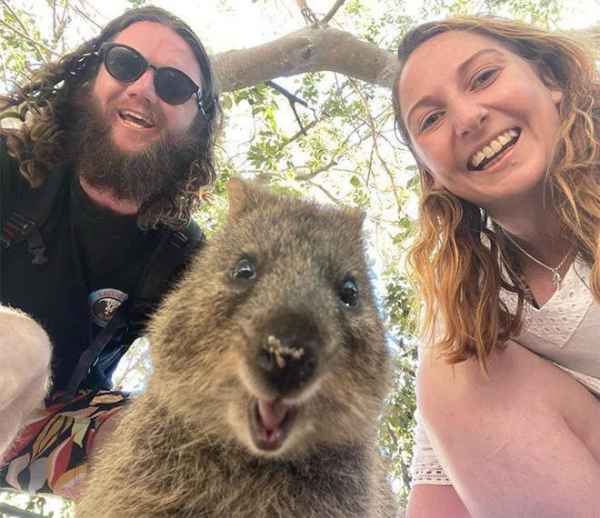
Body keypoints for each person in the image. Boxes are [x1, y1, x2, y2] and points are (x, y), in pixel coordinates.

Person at [0, 5, 221, 499]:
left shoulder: (184, 255)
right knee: (21, 345)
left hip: (50, 427)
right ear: (88, 79)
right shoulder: (7, 164)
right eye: (124, 64)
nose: (143, 87)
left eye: (174, 86)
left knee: (181, 453)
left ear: (198, 125)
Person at [392, 16, 600, 518]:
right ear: (431, 174)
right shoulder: (469, 308)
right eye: (431, 119)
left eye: (483, 77)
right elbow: (439, 498)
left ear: (550, 82)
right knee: (456, 364)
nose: (466, 118)